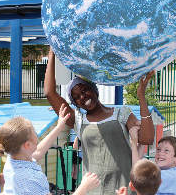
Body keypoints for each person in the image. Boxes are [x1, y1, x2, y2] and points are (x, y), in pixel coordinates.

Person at [44, 47, 155, 194]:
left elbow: (147, 138)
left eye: (84, 91)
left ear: (94, 89)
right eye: (76, 97)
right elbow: (49, 92)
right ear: (76, 104)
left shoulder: (121, 113)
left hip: (122, 189)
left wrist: (141, 95)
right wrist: (52, 52)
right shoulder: (78, 120)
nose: (82, 97)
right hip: (92, 190)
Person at [0, 104, 99, 195]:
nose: (36, 135)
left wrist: (59, 127)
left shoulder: (14, 159)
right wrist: (84, 187)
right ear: (27, 145)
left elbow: (38, 152)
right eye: (34, 132)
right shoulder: (30, 180)